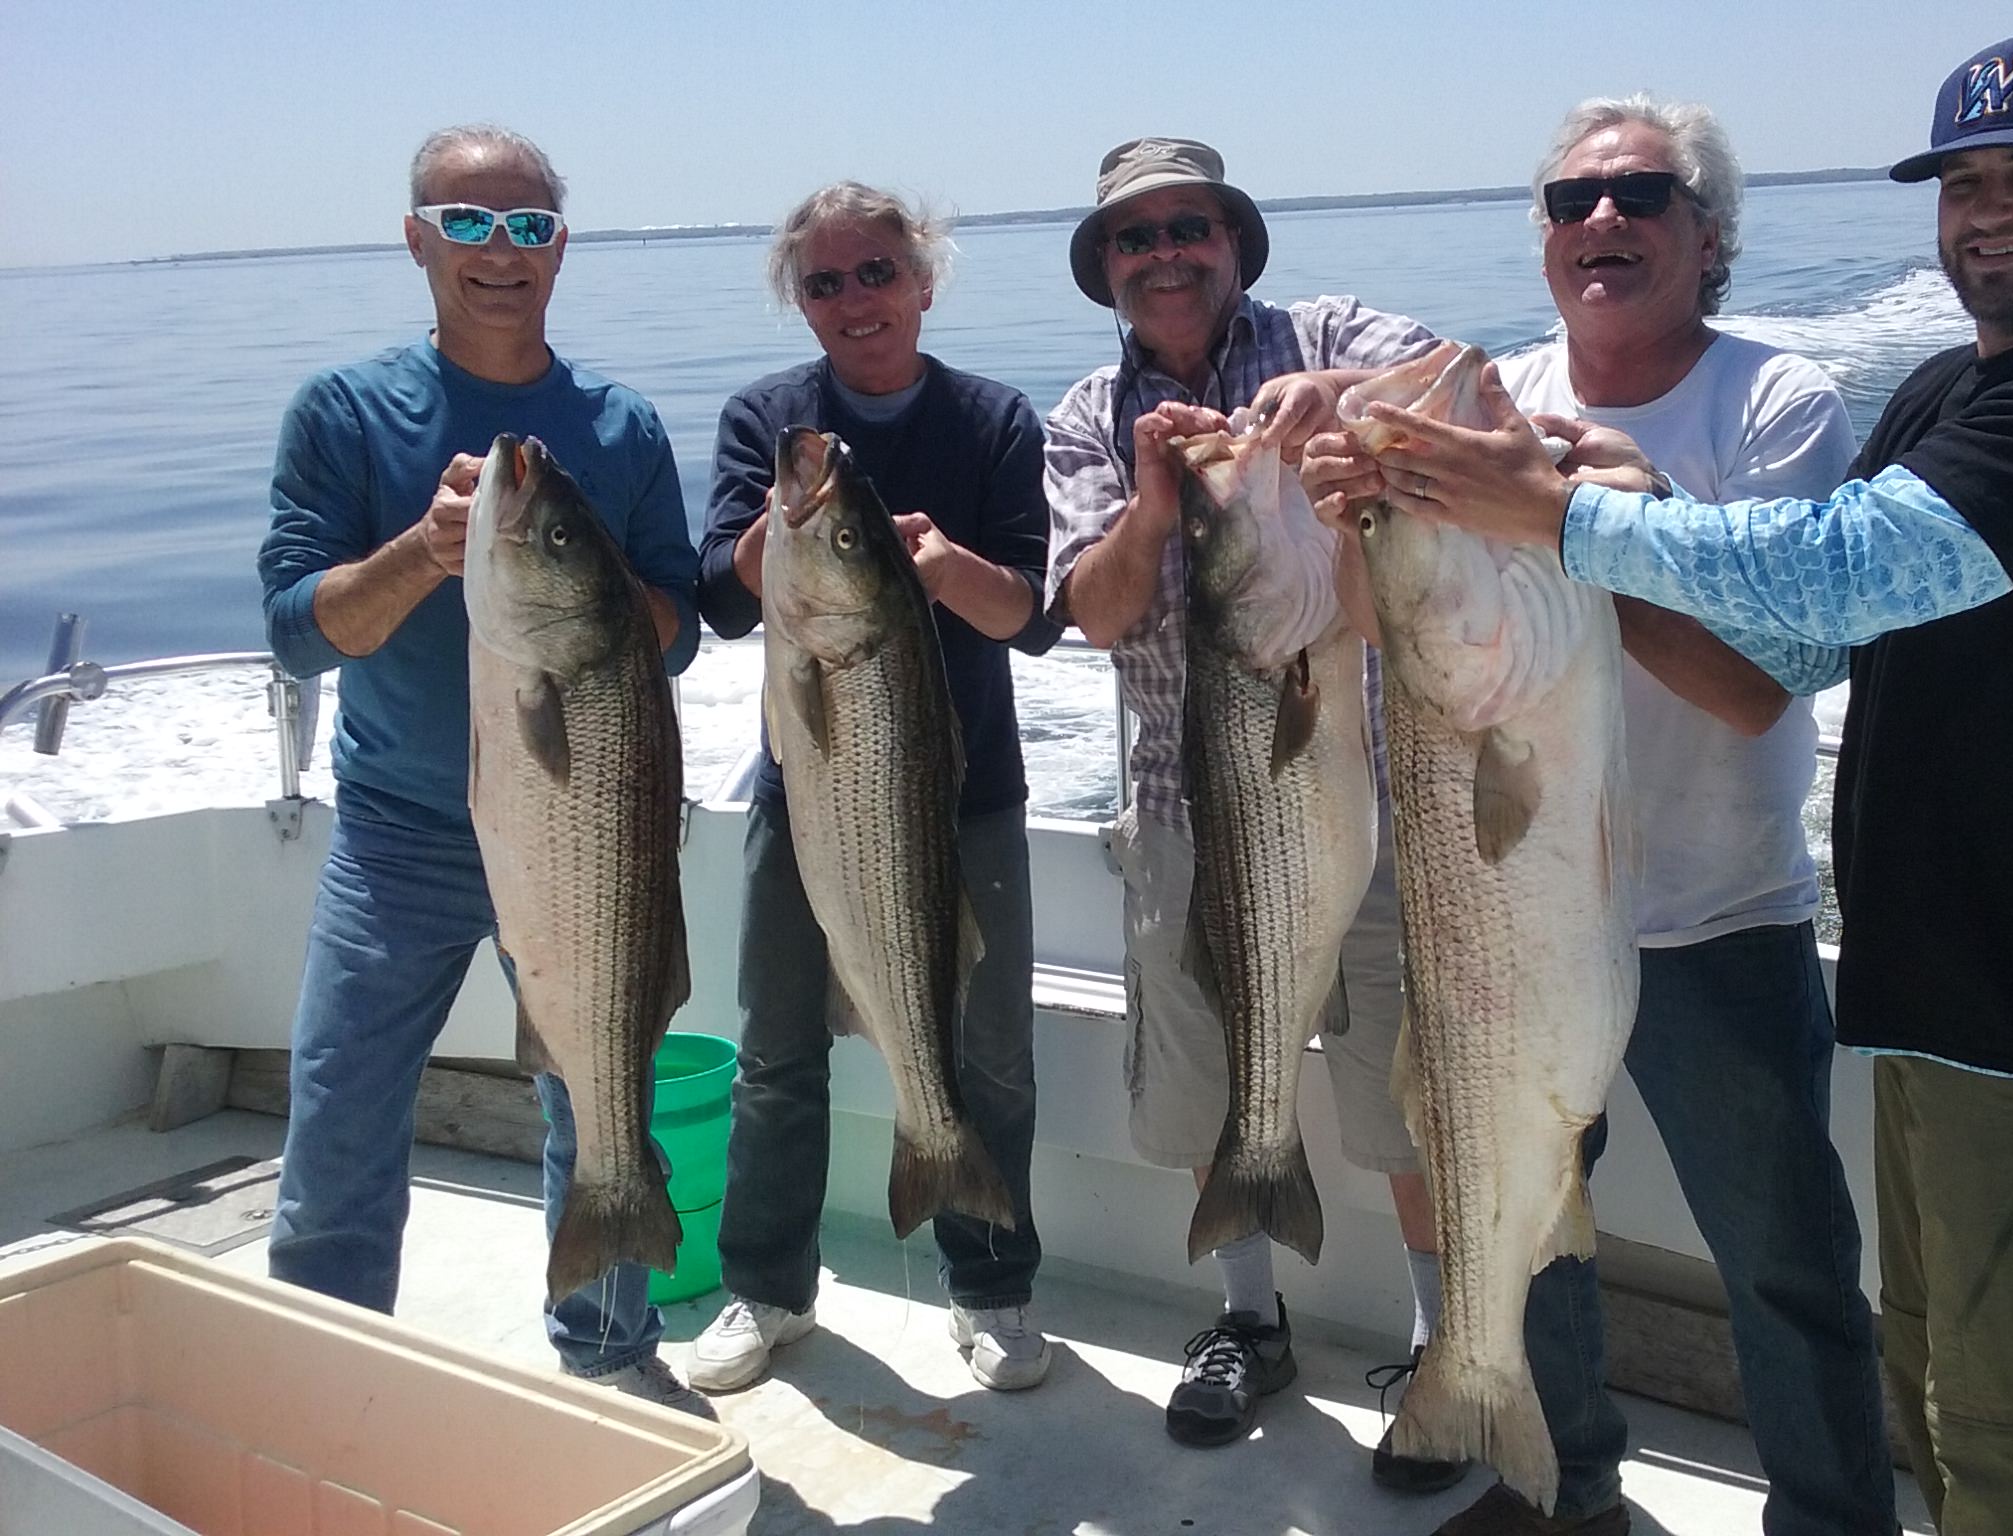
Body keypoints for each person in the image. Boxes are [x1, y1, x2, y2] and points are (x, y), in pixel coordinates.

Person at [1349, 36, 2013, 1536]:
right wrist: (1474, 507)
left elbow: (1827, 578)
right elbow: (1809, 637)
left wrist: (1558, 520)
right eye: (1966, 183)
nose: (1990, 210)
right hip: (1944, 986)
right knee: (1943, 1386)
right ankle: (1558, 1474)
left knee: (2007, 1426)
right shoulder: (1954, 389)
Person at [1305, 95, 1900, 1536]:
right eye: (1571, 203)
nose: (1600, 223)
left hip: (1718, 910)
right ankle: (1556, 1483)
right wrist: (1348, 520)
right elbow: (1384, 638)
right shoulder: (1496, 393)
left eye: (1641, 195)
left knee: (1782, 1258)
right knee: (1535, 1235)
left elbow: (1761, 689)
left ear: (1711, 236)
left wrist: (1574, 530)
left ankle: (1831, 1516)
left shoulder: (1776, 409)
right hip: (1505, 914)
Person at [256, 125, 705, 1410]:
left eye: (525, 227)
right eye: (467, 222)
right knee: (340, 1106)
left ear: (559, 247)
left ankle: (612, 1359)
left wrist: (567, 569)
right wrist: (427, 551)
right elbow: (296, 631)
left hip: (594, 819)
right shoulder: (344, 411)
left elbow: (671, 626)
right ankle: (319, 1372)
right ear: (416, 238)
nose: (498, 253)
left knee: (596, 1088)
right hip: (398, 833)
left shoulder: (616, 426)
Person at [1041, 136, 1458, 1485]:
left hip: (1373, 796)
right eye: (1134, 236)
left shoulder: (1327, 330)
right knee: (1227, 1078)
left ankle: (1445, 1354)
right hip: (1183, 806)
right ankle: (1248, 1322)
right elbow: (1096, 616)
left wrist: (1332, 395)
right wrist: (1167, 504)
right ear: (1106, 267)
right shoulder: (1084, 419)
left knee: (1408, 1090)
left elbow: (1458, 383)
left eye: (1188, 227)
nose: (1163, 253)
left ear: (1233, 241)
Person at [687, 183, 1061, 1395]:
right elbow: (728, 600)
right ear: (801, 301)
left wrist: (944, 568)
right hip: (809, 795)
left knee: (988, 1052)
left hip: (971, 798)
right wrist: (793, 525)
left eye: (878, 273)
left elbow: (1034, 616)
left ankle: (993, 1285)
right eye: (826, 282)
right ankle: (766, 1289)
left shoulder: (994, 419)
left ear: (924, 282)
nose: (856, 301)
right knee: (779, 1048)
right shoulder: (767, 419)